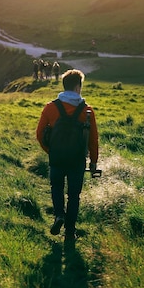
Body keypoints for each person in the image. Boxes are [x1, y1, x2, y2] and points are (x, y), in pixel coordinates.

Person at [36, 69, 99, 242]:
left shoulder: (50, 107)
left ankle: (58, 216)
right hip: (77, 160)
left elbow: (39, 134)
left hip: (57, 158)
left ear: (64, 86)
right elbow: (93, 140)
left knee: (56, 187)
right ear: (78, 87)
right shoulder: (87, 111)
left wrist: (51, 151)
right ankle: (70, 231)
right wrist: (93, 162)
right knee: (73, 195)